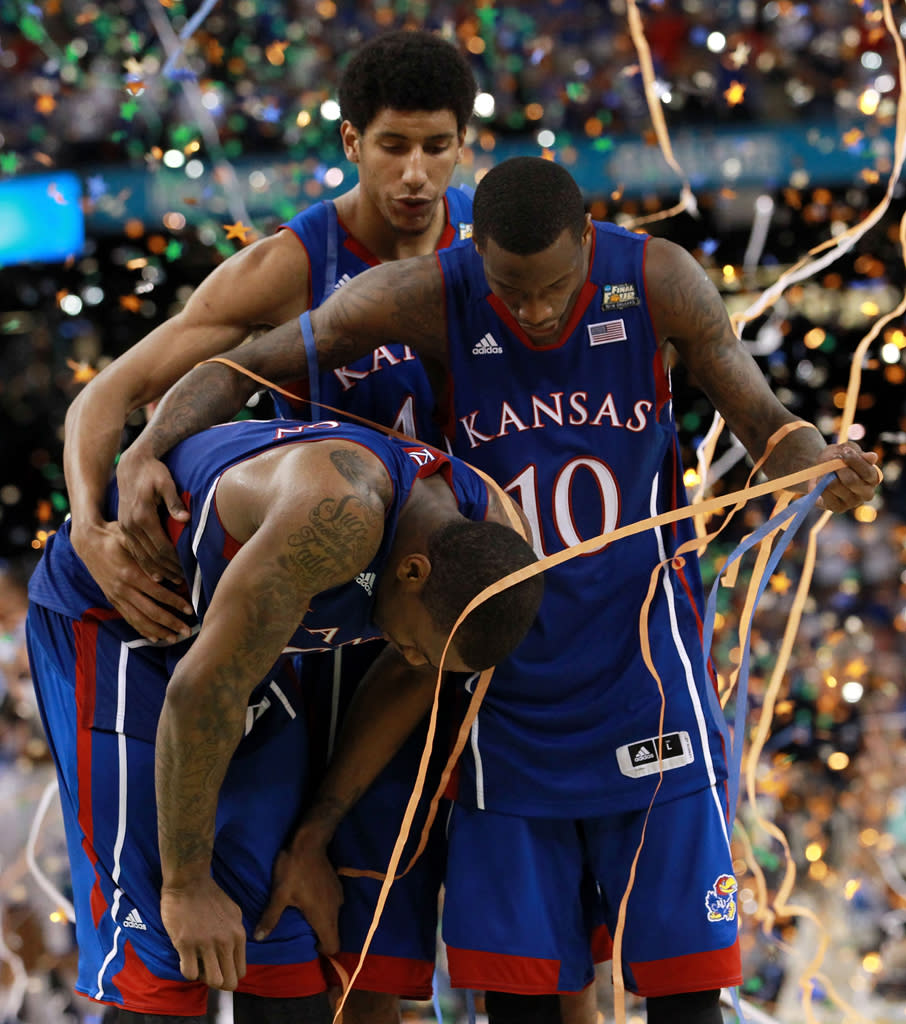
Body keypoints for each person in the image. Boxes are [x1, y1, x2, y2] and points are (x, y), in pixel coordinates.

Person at [115, 156, 882, 1024]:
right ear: (476, 253)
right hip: (498, 697)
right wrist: (148, 446)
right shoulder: (417, 294)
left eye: (554, 288)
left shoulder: (657, 278)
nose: (536, 310)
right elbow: (244, 369)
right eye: (511, 292)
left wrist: (820, 465)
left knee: (688, 998)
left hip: (648, 687)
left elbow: (768, 427)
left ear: (590, 242)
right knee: (521, 1005)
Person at [62, 28, 480, 1021]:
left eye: (435, 145)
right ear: (350, 142)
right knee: (260, 948)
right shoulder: (297, 261)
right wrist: (88, 522)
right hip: (297, 632)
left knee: (384, 970)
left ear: (466, 145)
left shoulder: (494, 256)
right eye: (392, 146)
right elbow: (109, 394)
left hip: (423, 633)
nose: (414, 172)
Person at [26, 415, 543, 1024]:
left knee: (282, 930)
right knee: (166, 958)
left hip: (242, 642)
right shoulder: (336, 518)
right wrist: (185, 883)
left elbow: (409, 674)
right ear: (411, 572)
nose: (413, 659)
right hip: (117, 621)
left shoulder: (499, 538)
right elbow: (197, 695)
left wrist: (310, 839)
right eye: (415, 648)